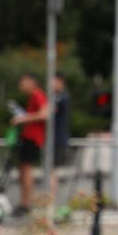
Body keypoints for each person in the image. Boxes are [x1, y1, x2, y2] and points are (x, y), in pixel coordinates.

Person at [10, 73, 49, 217]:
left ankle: (26, 203)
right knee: (23, 168)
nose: (21, 86)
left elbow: (44, 114)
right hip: (29, 137)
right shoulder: (33, 97)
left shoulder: (38, 95)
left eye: (23, 82)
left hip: (33, 138)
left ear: (32, 82)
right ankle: (24, 202)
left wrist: (23, 118)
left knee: (26, 169)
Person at [48, 73, 71, 219]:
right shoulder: (56, 98)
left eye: (53, 82)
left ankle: (52, 205)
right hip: (53, 139)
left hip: (58, 139)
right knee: (52, 171)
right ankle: (50, 205)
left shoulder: (62, 98)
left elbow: (49, 112)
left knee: (52, 172)